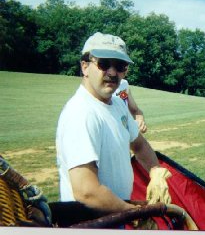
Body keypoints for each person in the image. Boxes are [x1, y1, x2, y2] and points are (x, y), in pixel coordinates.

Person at [56, 32, 171, 214]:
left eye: (120, 66)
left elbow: (139, 145)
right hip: (89, 224)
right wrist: (133, 214)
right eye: (103, 64)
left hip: (113, 217)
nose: (112, 72)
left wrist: (155, 171)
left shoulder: (117, 104)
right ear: (85, 67)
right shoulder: (81, 112)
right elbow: (87, 192)